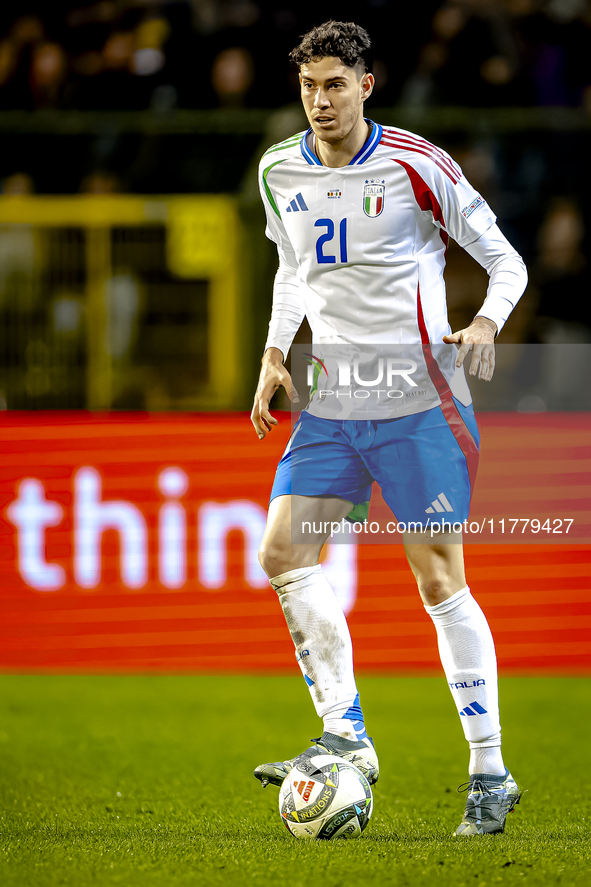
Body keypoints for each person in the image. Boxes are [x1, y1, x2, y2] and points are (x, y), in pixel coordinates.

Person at [250, 20, 527, 837]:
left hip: (418, 399)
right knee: (281, 554)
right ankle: (346, 733)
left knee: (439, 582)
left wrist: (480, 325)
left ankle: (488, 768)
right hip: (332, 400)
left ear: (365, 84)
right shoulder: (278, 169)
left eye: (335, 84)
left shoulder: (416, 164)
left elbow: (505, 259)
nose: (320, 100)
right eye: (308, 86)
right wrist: (274, 353)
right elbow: (292, 268)